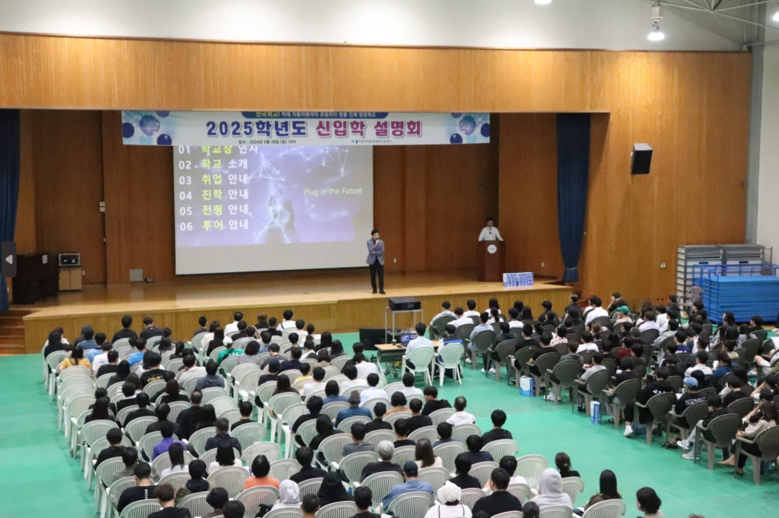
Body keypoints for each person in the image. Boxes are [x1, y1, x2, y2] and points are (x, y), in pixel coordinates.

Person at [720, 391, 778, 473]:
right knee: (744, 440)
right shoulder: (775, 422)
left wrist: (743, 433)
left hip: (760, 449)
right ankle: (734, 461)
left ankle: (738, 466)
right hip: (772, 448)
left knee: (741, 442)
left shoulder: (763, 422)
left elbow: (751, 433)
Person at [366, 229, 385, 294]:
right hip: (372, 261)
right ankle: (374, 289)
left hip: (380, 260)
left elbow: (382, 251)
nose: (377, 236)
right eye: (375, 235)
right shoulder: (369, 242)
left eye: (378, 235)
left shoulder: (381, 242)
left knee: (381, 275)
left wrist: (375, 252)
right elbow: (370, 251)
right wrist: (375, 245)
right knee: (373, 276)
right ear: (372, 236)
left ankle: (381, 289)